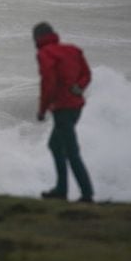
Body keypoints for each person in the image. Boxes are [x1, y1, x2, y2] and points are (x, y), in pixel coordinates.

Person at [33, 22, 94, 202]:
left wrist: (42, 110)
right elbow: (87, 74)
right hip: (75, 107)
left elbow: (48, 84)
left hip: (63, 108)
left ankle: (87, 194)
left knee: (71, 152)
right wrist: (79, 87)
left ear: (37, 38)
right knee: (55, 145)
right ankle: (61, 189)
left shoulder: (45, 54)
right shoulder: (73, 50)